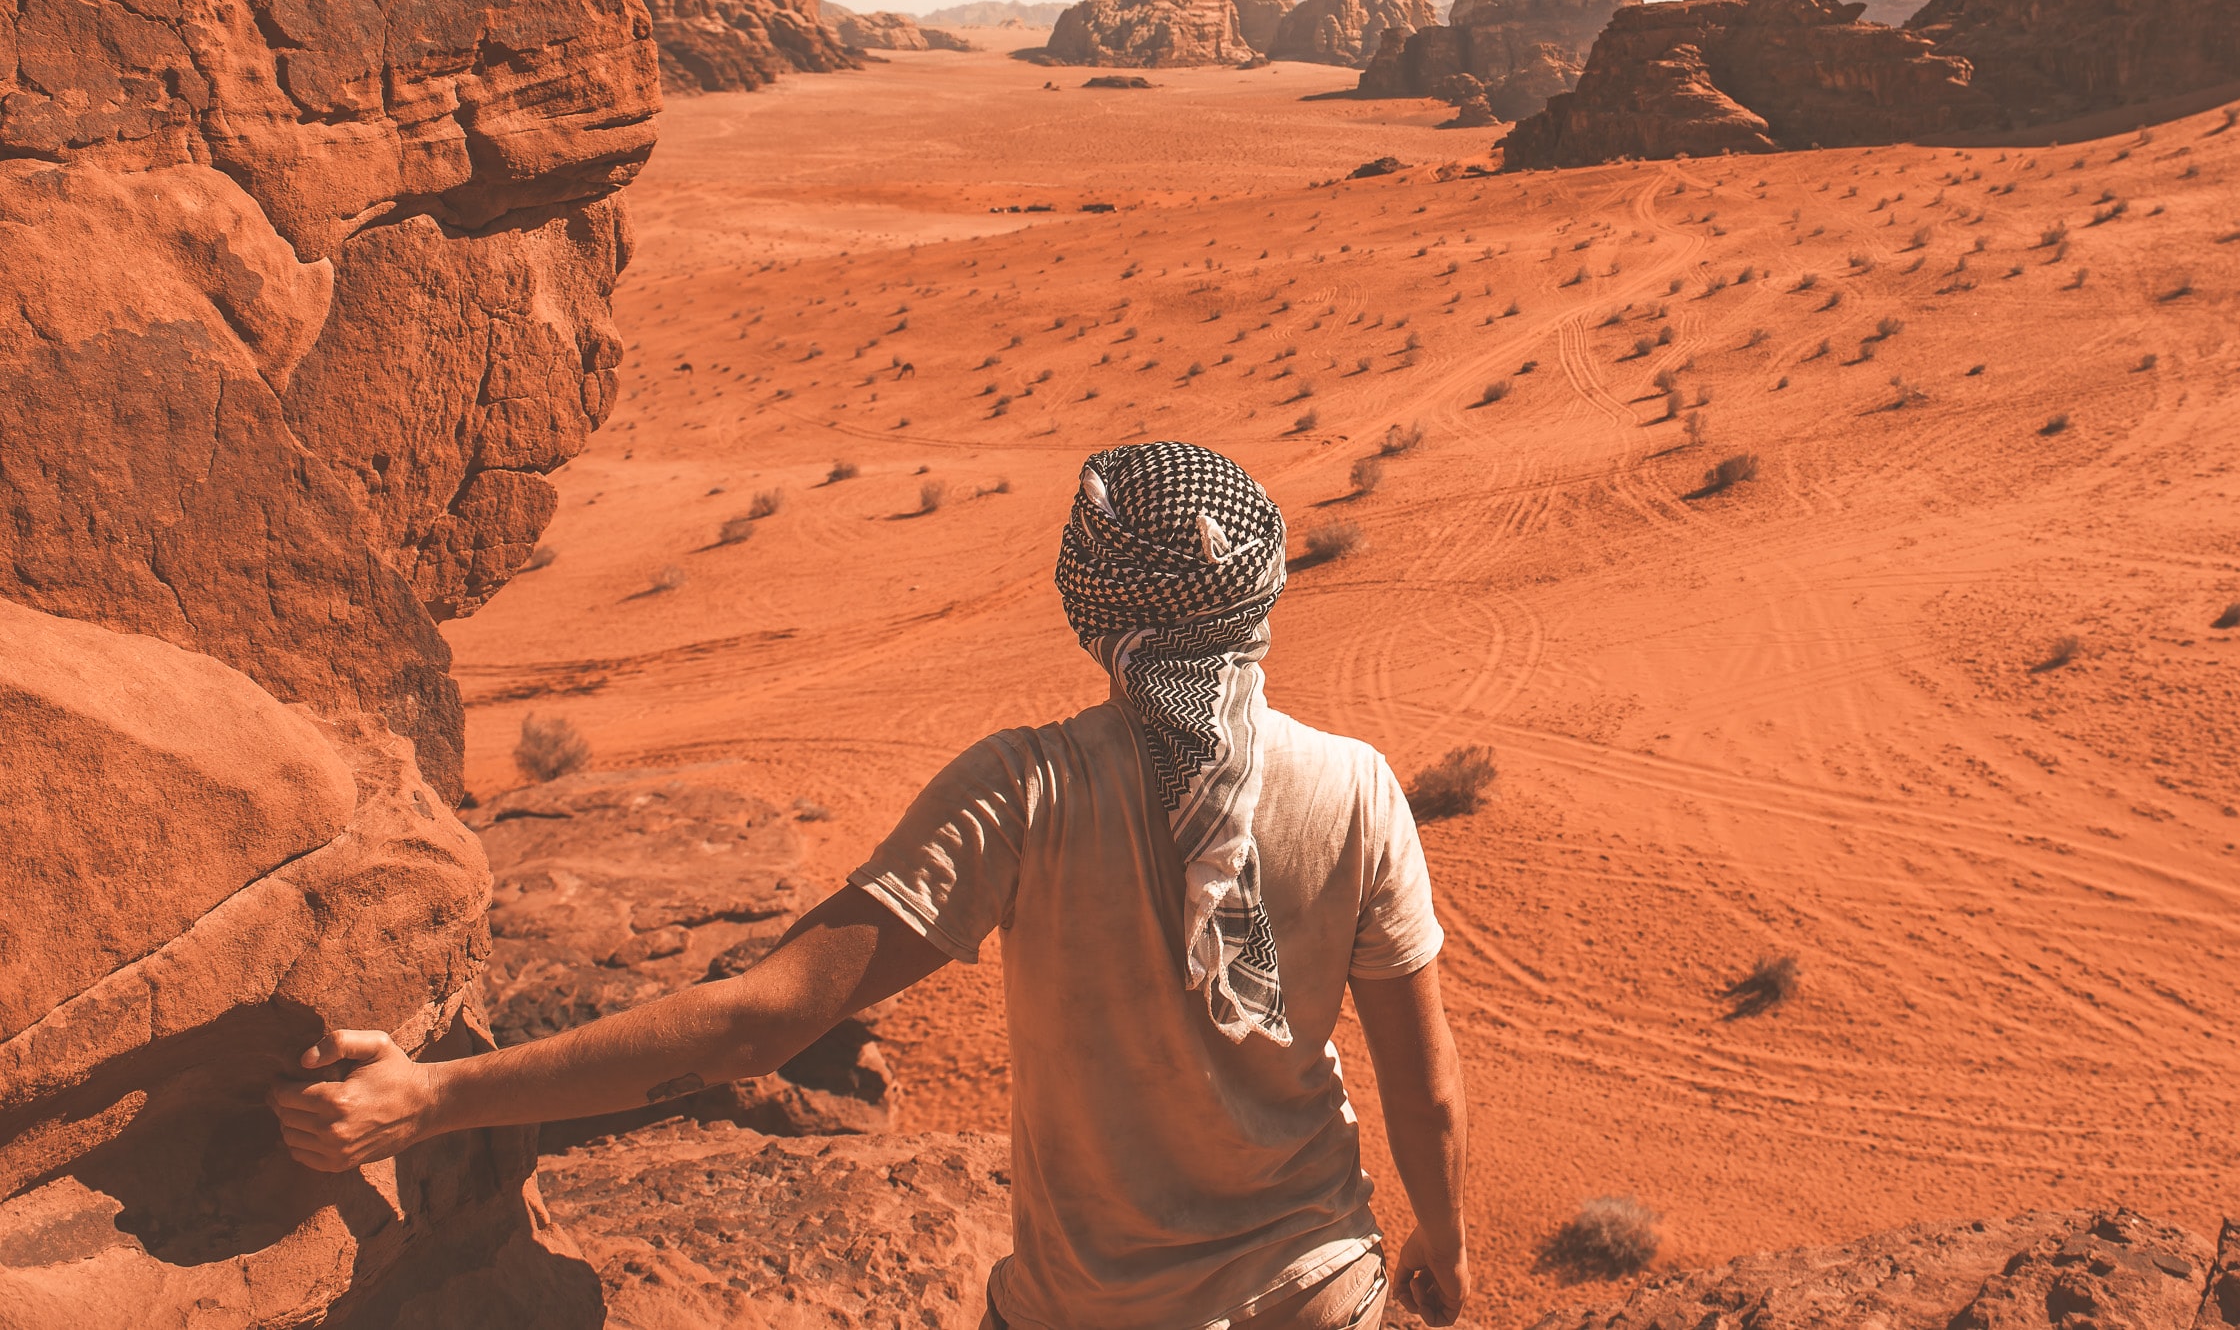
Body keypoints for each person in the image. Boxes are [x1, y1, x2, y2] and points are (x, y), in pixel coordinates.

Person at [272, 441, 1468, 1330]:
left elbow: (769, 1014)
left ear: (1085, 597)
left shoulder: (1027, 790)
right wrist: (1446, 1242)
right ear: (1264, 590)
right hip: (1321, 1294)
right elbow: (1427, 1095)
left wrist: (435, 1094)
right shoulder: (1360, 789)